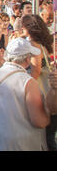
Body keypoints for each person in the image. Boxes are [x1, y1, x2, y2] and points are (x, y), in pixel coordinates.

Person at [0, 38, 57, 151]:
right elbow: (40, 121)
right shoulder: (28, 82)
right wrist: (50, 114)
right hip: (21, 143)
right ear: (28, 59)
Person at [19, 14, 57, 150]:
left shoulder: (34, 45)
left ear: (29, 27)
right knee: (50, 135)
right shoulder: (48, 42)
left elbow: (35, 71)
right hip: (51, 92)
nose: (20, 28)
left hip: (43, 95)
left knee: (45, 139)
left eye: (22, 25)